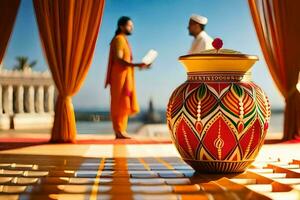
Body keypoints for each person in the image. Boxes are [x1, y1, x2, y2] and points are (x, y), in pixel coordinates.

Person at [105, 16, 150, 139]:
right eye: (129, 26)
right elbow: (119, 60)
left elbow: (125, 61)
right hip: (119, 77)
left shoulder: (123, 40)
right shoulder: (119, 39)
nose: (131, 28)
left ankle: (121, 130)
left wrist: (141, 66)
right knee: (119, 103)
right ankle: (118, 130)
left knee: (124, 102)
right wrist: (137, 64)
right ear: (121, 26)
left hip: (125, 76)